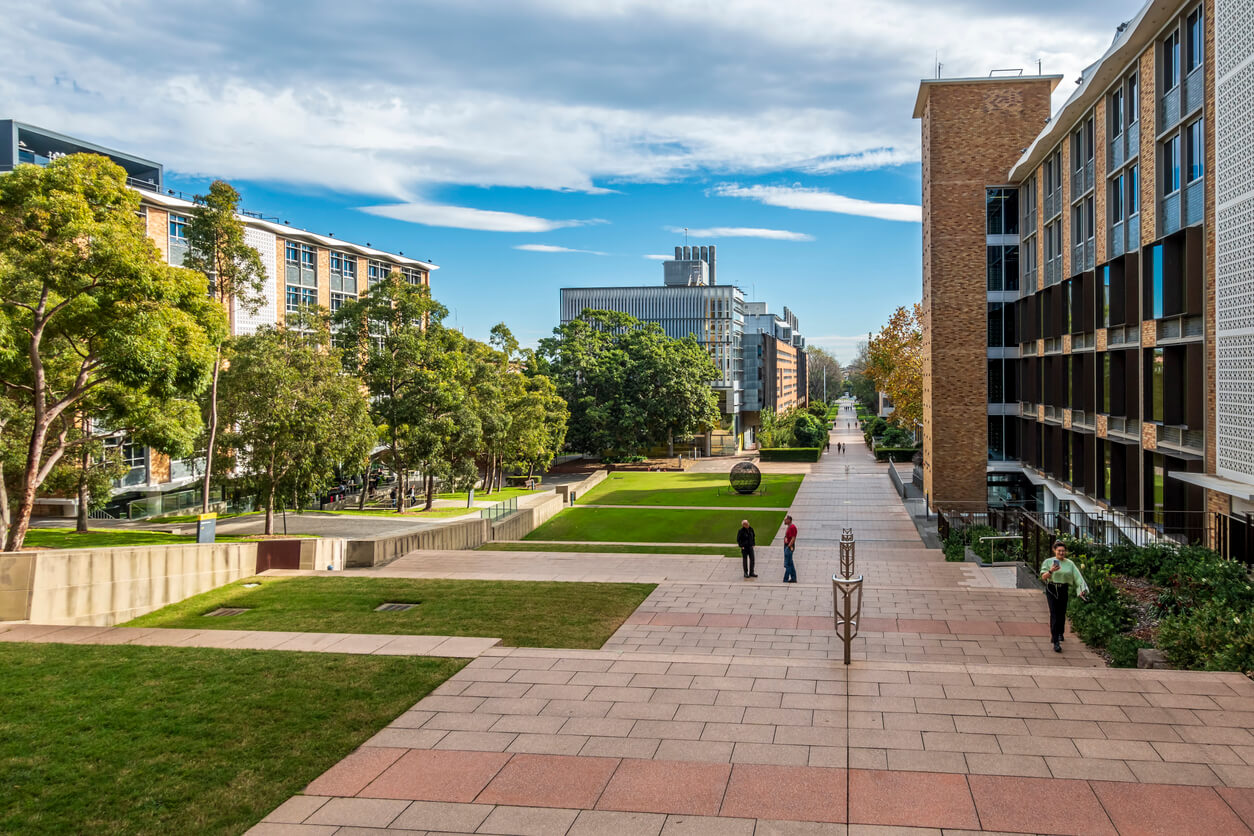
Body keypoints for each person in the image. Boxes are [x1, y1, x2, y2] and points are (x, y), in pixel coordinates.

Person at [1040, 541, 1089, 652]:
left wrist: (1081, 590)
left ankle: (1060, 632)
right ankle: (1055, 640)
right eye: (1059, 551)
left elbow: (1078, 577)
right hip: (1051, 589)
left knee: (1062, 613)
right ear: (1054, 551)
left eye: (1063, 551)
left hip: (1063, 589)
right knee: (1054, 613)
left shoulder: (1070, 564)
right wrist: (1051, 570)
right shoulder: (1048, 562)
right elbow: (1043, 577)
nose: (1061, 553)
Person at [782, 515, 798, 583]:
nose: (784, 521)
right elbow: (787, 536)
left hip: (789, 547)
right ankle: (793, 578)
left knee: (787, 564)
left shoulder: (792, 527)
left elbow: (793, 538)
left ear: (789, 520)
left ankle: (786, 579)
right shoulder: (789, 527)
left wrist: (789, 546)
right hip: (787, 546)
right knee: (790, 563)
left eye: (785, 519)